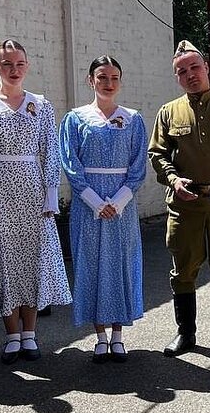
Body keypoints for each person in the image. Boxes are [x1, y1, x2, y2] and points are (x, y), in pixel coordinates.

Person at [0, 39, 71, 364]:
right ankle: (11, 334)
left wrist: (51, 194)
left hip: (32, 192)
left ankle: (30, 334)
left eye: (19, 64)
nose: (14, 70)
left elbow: (50, 149)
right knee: (2, 261)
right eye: (7, 64)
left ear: (27, 65)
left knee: (32, 260)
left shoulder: (40, 104)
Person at [149, 40, 210, 359]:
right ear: (176, 77)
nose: (190, 74)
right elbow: (157, 153)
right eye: (182, 71)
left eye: (195, 67)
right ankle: (186, 333)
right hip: (185, 204)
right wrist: (174, 180)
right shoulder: (169, 112)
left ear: (206, 67)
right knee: (183, 269)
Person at [59, 56, 147, 363]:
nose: (108, 83)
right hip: (88, 206)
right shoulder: (76, 119)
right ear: (90, 80)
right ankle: (99, 336)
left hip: (122, 206)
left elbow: (137, 166)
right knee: (92, 265)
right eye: (102, 77)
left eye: (113, 77)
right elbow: (71, 164)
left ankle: (119, 335)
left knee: (121, 264)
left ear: (120, 81)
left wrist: (119, 201)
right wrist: (96, 202)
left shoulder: (133, 119)